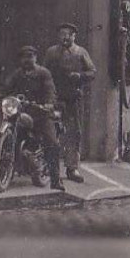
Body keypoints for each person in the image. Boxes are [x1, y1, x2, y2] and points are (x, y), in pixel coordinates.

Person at [0, 44, 64, 191]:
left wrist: (48, 104)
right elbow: (6, 87)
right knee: (8, 127)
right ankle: (2, 168)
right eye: (24, 57)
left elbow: (50, 90)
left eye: (30, 56)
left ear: (35, 57)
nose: (27, 60)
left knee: (52, 143)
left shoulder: (43, 73)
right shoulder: (17, 74)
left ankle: (55, 179)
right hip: (22, 112)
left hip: (41, 113)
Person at [43, 22, 96, 183]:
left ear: (74, 36)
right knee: (50, 130)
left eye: (69, 34)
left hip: (73, 99)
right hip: (54, 98)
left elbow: (92, 71)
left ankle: (72, 168)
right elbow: (43, 72)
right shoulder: (51, 52)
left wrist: (80, 76)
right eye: (62, 34)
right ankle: (48, 168)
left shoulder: (81, 53)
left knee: (73, 133)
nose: (65, 37)